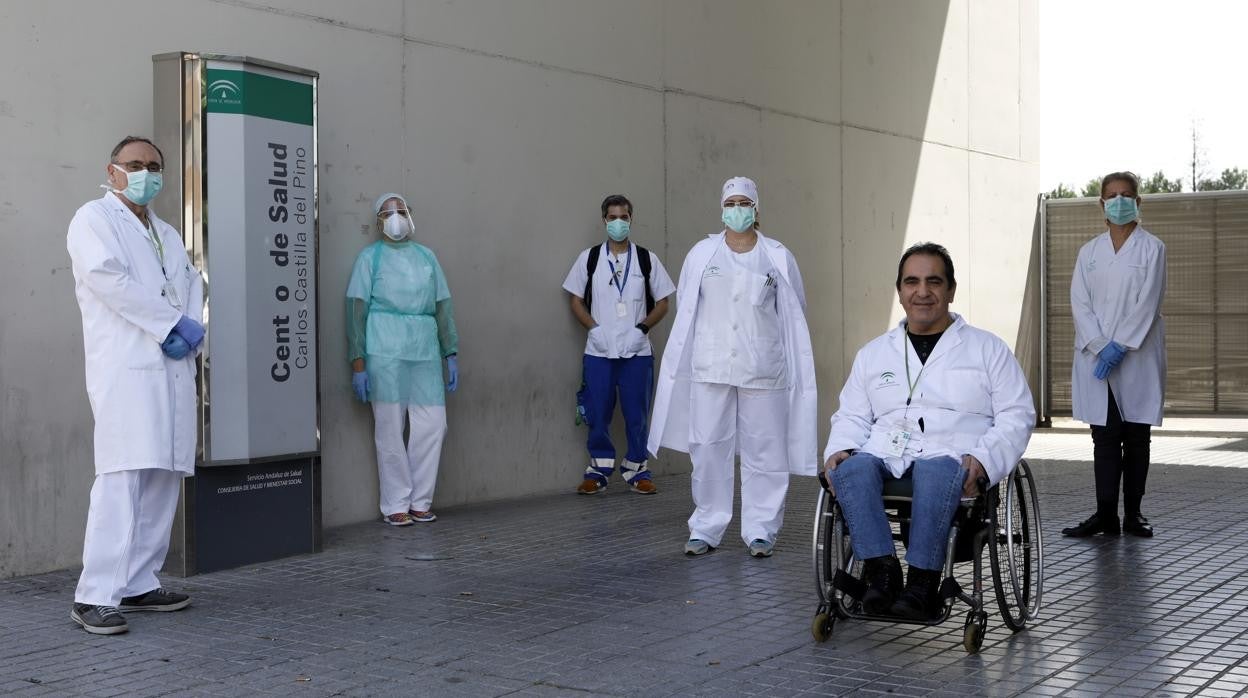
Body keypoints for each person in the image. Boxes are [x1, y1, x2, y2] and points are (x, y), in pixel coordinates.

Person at [822, 243, 1034, 620]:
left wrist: (985, 462)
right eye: (912, 282)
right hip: (886, 451)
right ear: (900, 291)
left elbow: (1016, 415)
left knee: (936, 470)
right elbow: (852, 415)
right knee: (849, 469)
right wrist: (839, 449)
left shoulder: (988, 349)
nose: (922, 291)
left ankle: (923, 581)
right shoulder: (873, 353)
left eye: (934, 282)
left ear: (951, 290)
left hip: (952, 453)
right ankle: (882, 571)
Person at [66, 136, 204, 635]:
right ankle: (94, 594)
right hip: (125, 368)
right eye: (135, 165)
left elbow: (192, 281)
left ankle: (140, 581)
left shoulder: (166, 230)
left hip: (171, 366)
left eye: (153, 166)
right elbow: (109, 279)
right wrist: (170, 325)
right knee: (122, 477)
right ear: (112, 170)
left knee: (164, 475)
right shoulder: (93, 220)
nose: (145, 173)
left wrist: (189, 326)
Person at [648, 176, 818, 558]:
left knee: (766, 451)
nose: (737, 210)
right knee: (707, 445)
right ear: (721, 209)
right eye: (731, 203)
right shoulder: (702, 254)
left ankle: (761, 529)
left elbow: (795, 313)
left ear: (756, 209)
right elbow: (688, 309)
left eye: (744, 203)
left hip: (764, 368)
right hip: (710, 367)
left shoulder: (777, 256)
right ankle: (706, 525)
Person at [1062, 172, 1166, 539]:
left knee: (1136, 438)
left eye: (1126, 195)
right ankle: (1104, 513)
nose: (1119, 200)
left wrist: (1120, 345)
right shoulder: (1089, 252)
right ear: (1101, 204)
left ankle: (1134, 514)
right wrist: (1099, 344)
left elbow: (1148, 304)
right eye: (1111, 195)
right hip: (1097, 358)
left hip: (1136, 358)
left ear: (1138, 202)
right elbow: (1079, 302)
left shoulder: (1153, 249)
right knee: (1105, 438)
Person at [347, 193, 459, 526]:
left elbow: (443, 307)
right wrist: (358, 364)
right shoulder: (371, 258)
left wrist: (450, 352)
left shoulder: (427, 257)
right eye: (387, 212)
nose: (395, 216)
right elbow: (355, 312)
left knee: (433, 424)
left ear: (410, 215)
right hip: (384, 349)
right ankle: (396, 503)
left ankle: (420, 500)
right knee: (390, 427)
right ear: (379, 221)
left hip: (424, 350)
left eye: (400, 210)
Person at [563, 195, 675, 495]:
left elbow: (664, 302)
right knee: (597, 410)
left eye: (623, 217)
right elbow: (574, 300)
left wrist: (643, 327)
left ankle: (637, 469)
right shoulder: (589, 258)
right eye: (612, 217)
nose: (618, 223)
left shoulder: (645, 259)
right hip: (599, 350)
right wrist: (593, 327)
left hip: (636, 352)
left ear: (631, 219)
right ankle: (598, 470)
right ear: (604, 220)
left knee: (636, 412)